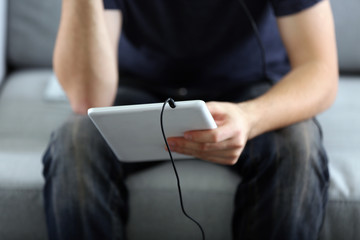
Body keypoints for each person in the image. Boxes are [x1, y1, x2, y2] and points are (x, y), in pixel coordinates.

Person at [42, 0, 338, 239]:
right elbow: (87, 98)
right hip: (138, 87)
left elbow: (320, 69)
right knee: (76, 143)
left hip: (251, 90)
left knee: (298, 145)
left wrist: (250, 118)